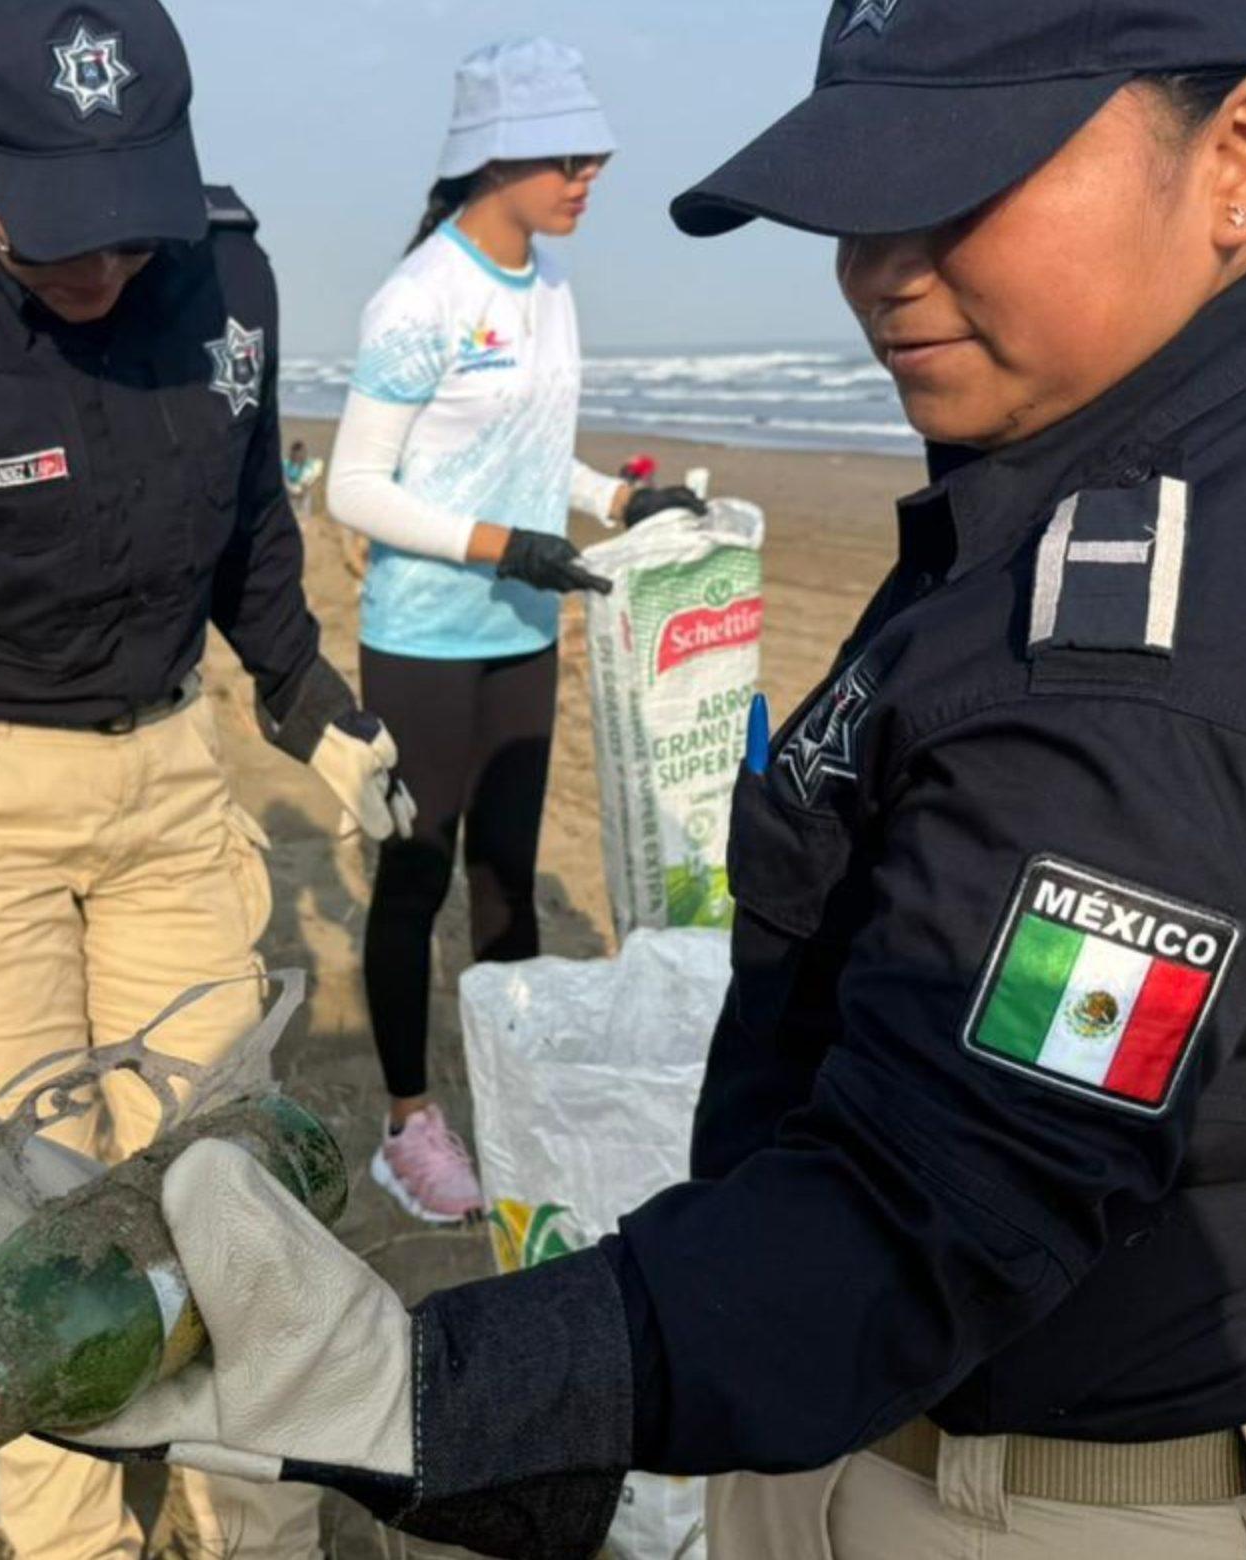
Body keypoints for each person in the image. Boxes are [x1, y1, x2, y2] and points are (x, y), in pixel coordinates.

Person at [67, 3, 1246, 1556]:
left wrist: (415, 1392)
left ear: (1244, 155)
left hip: (1017, 1497)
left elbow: (926, 1208)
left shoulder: (1154, 666)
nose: (883, 268)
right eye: (854, 203)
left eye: (957, 186)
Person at [0, 0, 407, 1555]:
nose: (105, 271)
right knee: (33, 1254)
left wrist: (305, 695)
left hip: (173, 784)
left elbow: (250, 513)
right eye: (59, 236)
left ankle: (265, 1531)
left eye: (131, 225)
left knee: (232, 1211)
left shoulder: (226, 271)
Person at [324, 37, 702, 1223]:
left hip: (525, 635)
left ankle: (514, 1093)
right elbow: (354, 489)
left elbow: (534, 452)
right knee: (416, 874)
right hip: (425, 638)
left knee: (507, 884)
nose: (589, 172)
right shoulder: (419, 298)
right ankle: (407, 1126)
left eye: (594, 152)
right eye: (564, 154)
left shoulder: (547, 285)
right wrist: (501, 545)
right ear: (491, 158)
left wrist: (614, 500)